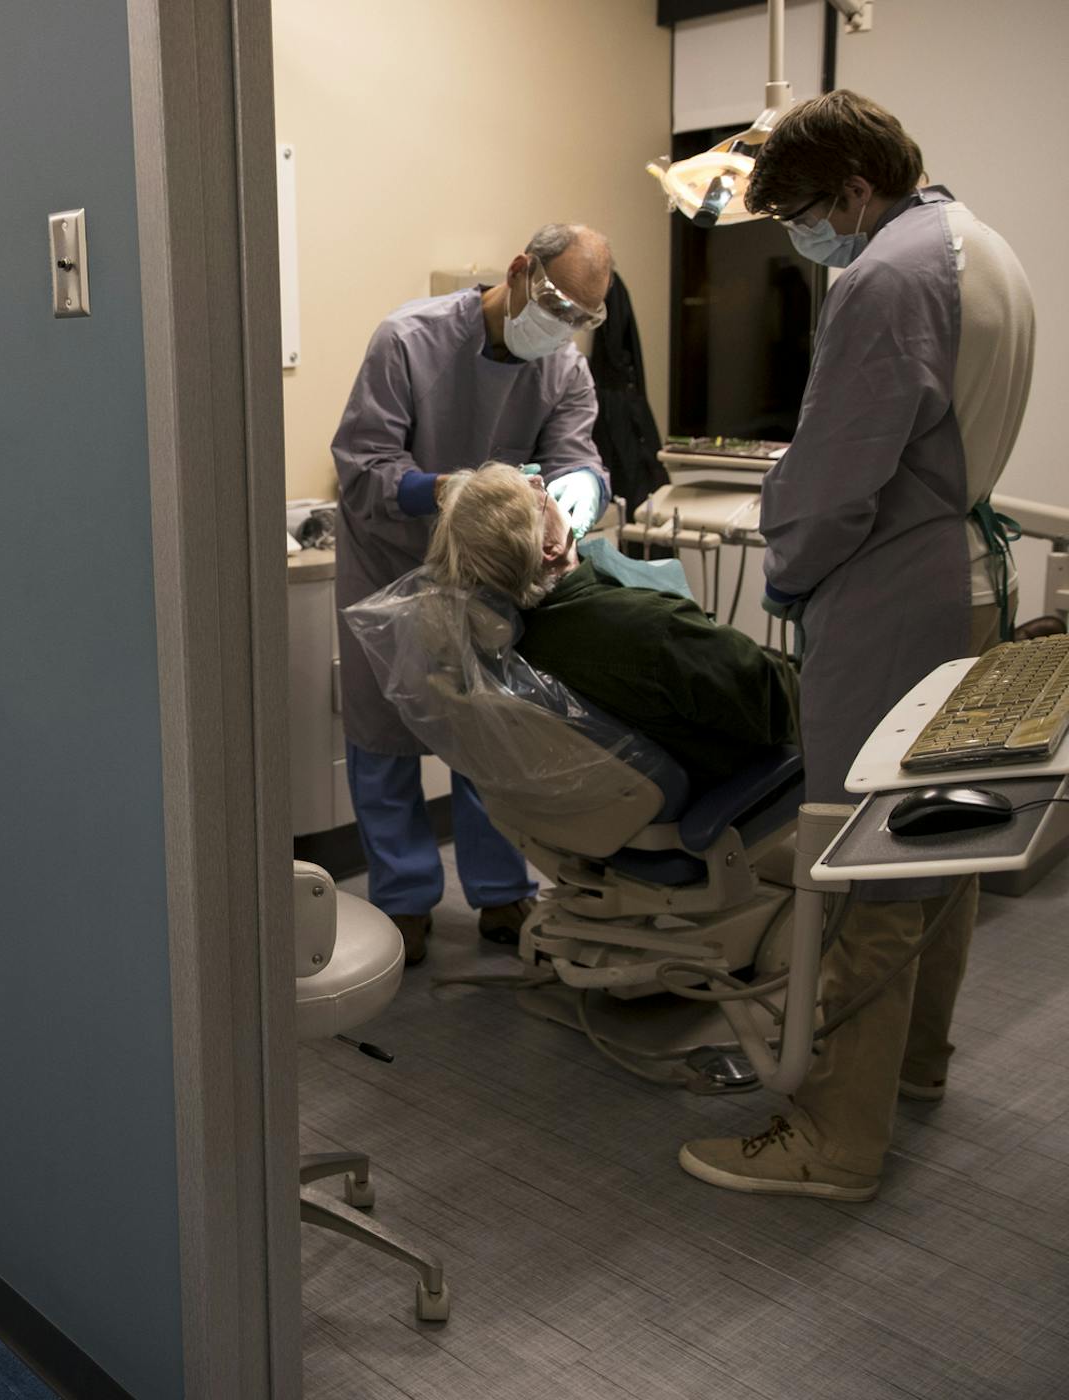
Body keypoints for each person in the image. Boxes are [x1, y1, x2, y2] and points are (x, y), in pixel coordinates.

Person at [677, 91, 1035, 1200]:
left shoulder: (884, 275)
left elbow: (833, 478)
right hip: (972, 580)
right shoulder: (983, 246)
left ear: (857, 190)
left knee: (866, 863)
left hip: (893, 595)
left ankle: (834, 1133)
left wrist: (784, 566)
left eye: (799, 216)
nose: (801, 241)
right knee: (941, 843)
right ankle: (912, 1064)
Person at [332, 223, 613, 964]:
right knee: (384, 736)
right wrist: (442, 489)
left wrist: (579, 495)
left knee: (491, 732)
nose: (563, 329)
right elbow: (362, 468)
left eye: (582, 319)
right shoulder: (408, 340)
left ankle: (499, 893)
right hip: (392, 561)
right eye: (556, 306)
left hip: (488, 574)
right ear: (520, 272)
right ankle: (402, 902)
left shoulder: (563, 366)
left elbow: (577, 454)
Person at [424, 465, 800, 774]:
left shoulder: (502, 642)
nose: (541, 480)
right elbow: (787, 706)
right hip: (732, 774)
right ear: (550, 548)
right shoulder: (657, 629)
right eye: (537, 494)